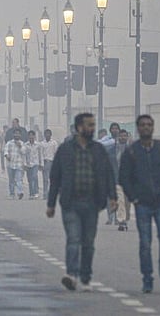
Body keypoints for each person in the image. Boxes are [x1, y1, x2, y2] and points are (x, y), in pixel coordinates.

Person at [46, 112, 117, 292]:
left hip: (92, 203)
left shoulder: (98, 150)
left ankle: (85, 277)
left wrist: (113, 197)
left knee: (88, 242)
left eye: (93, 125)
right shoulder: (66, 149)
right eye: (89, 125)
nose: (92, 128)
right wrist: (51, 203)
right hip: (71, 202)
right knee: (73, 238)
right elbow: (55, 176)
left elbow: (108, 174)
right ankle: (71, 274)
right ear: (79, 127)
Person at [118, 114, 160, 293]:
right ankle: (147, 277)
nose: (146, 128)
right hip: (142, 203)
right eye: (143, 125)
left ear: (153, 127)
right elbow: (124, 176)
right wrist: (133, 197)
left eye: (149, 125)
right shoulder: (131, 151)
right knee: (145, 242)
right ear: (138, 128)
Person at [3, 130, 25, 199]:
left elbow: (24, 152)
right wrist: (7, 156)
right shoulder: (9, 143)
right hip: (10, 164)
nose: (17, 135)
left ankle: (20, 192)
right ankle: (12, 194)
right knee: (11, 180)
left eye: (18, 134)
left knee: (19, 180)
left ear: (20, 135)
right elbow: (5, 151)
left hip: (18, 164)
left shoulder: (22, 143)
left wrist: (20, 146)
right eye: (15, 134)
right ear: (13, 135)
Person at [39, 129, 58, 200]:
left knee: (52, 179)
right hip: (45, 162)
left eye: (48, 134)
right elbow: (40, 154)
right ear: (44, 135)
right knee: (45, 179)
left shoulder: (54, 143)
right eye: (46, 134)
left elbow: (56, 153)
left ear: (51, 135)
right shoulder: (42, 143)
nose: (47, 135)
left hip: (52, 162)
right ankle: (45, 194)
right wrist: (41, 163)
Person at [23, 130, 41, 199]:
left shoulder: (38, 145)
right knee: (30, 179)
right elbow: (24, 155)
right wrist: (24, 164)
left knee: (34, 176)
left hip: (35, 163)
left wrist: (41, 163)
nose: (31, 137)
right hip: (28, 164)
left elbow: (40, 154)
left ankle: (36, 192)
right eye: (29, 136)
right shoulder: (26, 145)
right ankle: (31, 193)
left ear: (34, 136)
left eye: (32, 135)